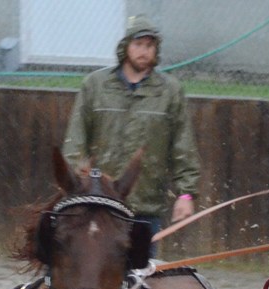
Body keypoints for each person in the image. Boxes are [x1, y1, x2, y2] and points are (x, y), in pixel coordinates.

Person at [62, 16, 200, 251]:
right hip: (98, 203)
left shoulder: (170, 92)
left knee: (140, 276)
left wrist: (186, 194)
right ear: (125, 47)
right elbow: (75, 141)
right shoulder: (95, 86)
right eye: (138, 45)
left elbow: (182, 145)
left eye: (149, 46)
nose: (143, 51)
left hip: (144, 205)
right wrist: (78, 185)